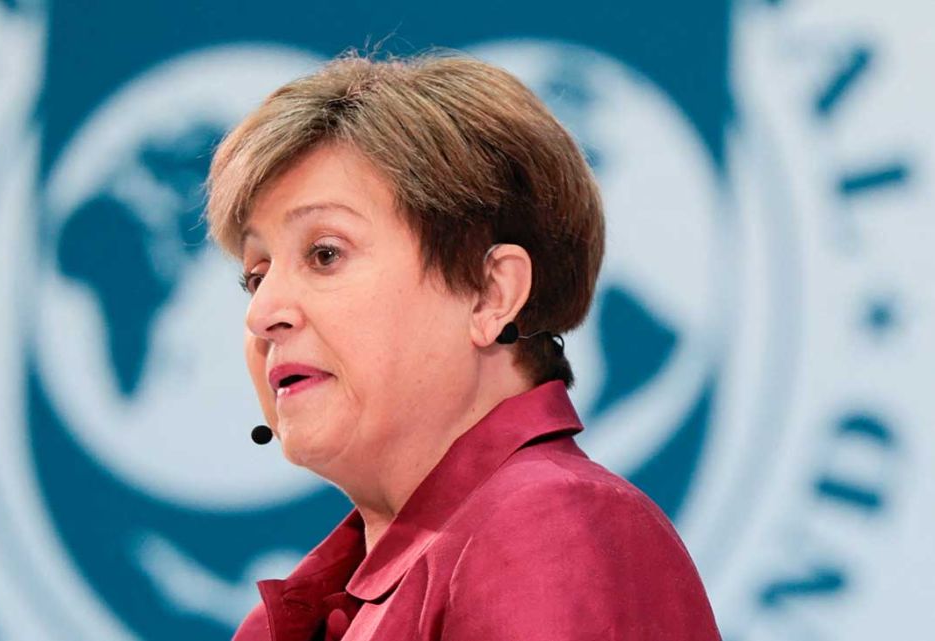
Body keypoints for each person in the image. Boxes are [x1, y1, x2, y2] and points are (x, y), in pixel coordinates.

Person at [206, 51, 720, 641]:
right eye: (256, 275)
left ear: (489, 294)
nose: (262, 314)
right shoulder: (312, 611)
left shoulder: (547, 526)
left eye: (325, 254)